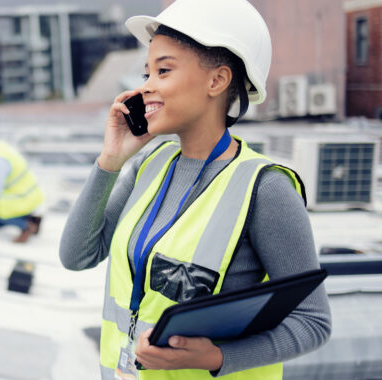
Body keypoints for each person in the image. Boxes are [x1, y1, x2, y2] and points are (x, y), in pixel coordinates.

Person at [59, 1, 331, 379]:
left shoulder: (265, 188)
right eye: (147, 72)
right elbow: (77, 256)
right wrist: (109, 160)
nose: (146, 86)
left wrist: (215, 357)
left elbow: (313, 322)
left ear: (216, 81)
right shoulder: (147, 166)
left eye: (163, 70)